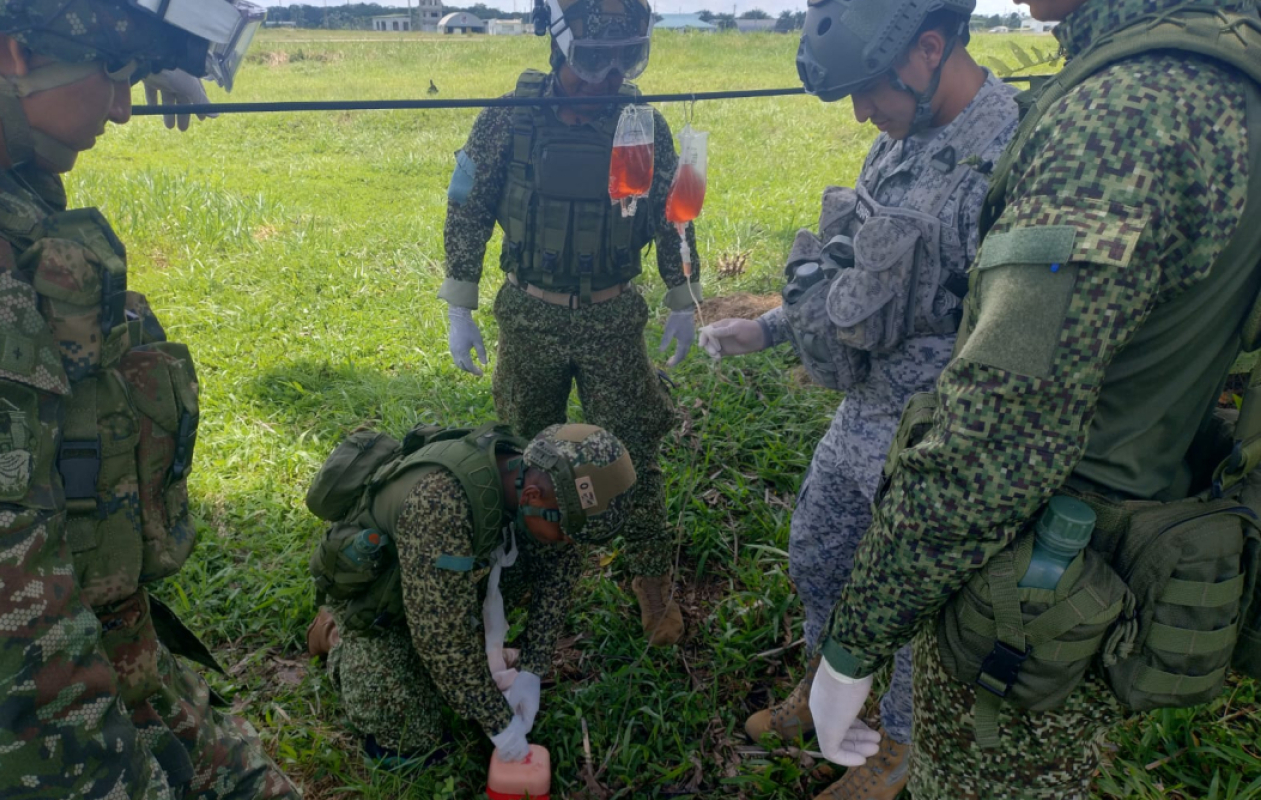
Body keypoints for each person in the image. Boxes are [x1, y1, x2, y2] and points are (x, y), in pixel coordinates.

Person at [803, 0, 1261, 797]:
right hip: (1092, 541)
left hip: (1031, 572)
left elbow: (998, 441)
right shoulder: (1217, 63)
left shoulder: (1125, 114)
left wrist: (856, 642)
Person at [0, 1, 300, 798]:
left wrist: (142, 55)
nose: (125, 108)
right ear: (15, 53)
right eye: (113, 80)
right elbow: (16, 643)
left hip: (112, 640)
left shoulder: (10, 177)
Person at [698, 1, 1017, 796]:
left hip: (937, 443)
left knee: (910, 609)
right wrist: (769, 329)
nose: (861, 111)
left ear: (930, 49)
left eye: (869, 87)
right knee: (818, 554)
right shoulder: (897, 142)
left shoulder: (1008, 159)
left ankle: (897, 747)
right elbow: (856, 271)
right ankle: (826, 686)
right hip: (861, 415)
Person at [438, 0, 699, 646]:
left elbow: (674, 213)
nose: (609, 74)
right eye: (592, 58)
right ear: (557, 46)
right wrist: (459, 305)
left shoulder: (643, 126)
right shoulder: (510, 120)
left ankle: (650, 579)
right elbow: (467, 208)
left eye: (624, 58)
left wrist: (681, 294)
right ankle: (523, 572)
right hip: (530, 316)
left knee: (637, 447)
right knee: (525, 452)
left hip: (613, 315)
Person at [305, 423, 636, 764]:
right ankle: (334, 635)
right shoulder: (439, 504)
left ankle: (464, 654)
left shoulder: (538, 472)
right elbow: (442, 639)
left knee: (545, 553)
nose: (570, 544)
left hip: (437, 582)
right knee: (412, 737)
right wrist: (498, 722)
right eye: (567, 532)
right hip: (381, 597)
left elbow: (559, 573)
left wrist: (532, 669)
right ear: (531, 498)